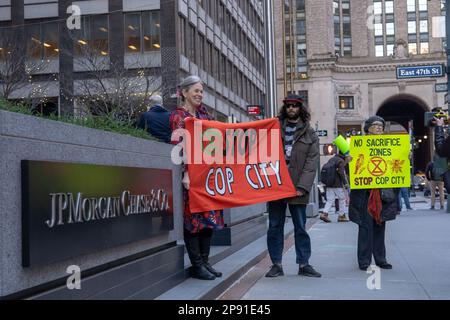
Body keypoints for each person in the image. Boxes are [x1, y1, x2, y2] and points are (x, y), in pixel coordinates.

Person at [169, 75, 224, 280]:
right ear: (184, 92)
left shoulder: (205, 116)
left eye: (201, 91)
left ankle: (205, 261)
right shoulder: (178, 116)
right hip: (190, 176)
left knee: (208, 219)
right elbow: (178, 147)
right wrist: (185, 173)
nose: (200, 94)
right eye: (196, 90)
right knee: (194, 221)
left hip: (208, 176)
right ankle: (197, 265)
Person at [265, 94, 321, 278]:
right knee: (275, 226)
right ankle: (276, 264)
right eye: (288, 105)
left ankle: (304, 264)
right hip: (275, 186)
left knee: (300, 227)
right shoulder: (272, 129)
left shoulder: (310, 133)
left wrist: (303, 187)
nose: (291, 108)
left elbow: (311, 162)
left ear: (300, 108)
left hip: (298, 187)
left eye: (295, 105)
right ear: (284, 108)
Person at [348, 115, 399, 271]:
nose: (379, 128)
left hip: (383, 193)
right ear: (368, 128)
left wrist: (403, 157)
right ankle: (364, 260)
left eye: (381, 126)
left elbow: (395, 166)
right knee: (365, 228)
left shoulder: (390, 146)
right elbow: (349, 169)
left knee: (380, 225)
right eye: (376, 125)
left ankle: (380, 259)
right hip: (364, 194)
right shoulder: (357, 145)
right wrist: (348, 161)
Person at [320, 150, 351, 223]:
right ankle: (341, 215)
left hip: (329, 183)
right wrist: (345, 183)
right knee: (342, 198)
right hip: (337, 184)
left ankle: (324, 213)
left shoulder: (332, 159)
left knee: (330, 200)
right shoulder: (340, 161)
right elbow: (341, 172)